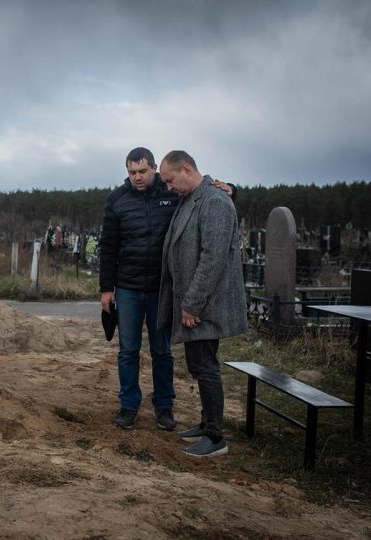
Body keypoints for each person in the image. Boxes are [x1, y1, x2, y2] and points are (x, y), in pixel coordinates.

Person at [99, 147, 234, 431]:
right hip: (128, 287)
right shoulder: (117, 200)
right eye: (132, 173)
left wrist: (232, 189)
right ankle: (129, 406)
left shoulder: (172, 190)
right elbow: (108, 247)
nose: (137, 177)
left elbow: (206, 196)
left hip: (163, 289)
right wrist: (106, 288)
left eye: (143, 172)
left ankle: (164, 407)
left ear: (154, 170)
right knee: (128, 351)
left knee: (162, 351)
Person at [157, 150, 247, 458]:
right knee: (199, 363)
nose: (169, 187)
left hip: (205, 306)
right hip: (195, 303)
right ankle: (205, 422)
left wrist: (192, 304)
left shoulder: (215, 202)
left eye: (170, 180)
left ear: (185, 169)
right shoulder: (191, 199)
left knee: (205, 366)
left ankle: (215, 436)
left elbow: (212, 259)